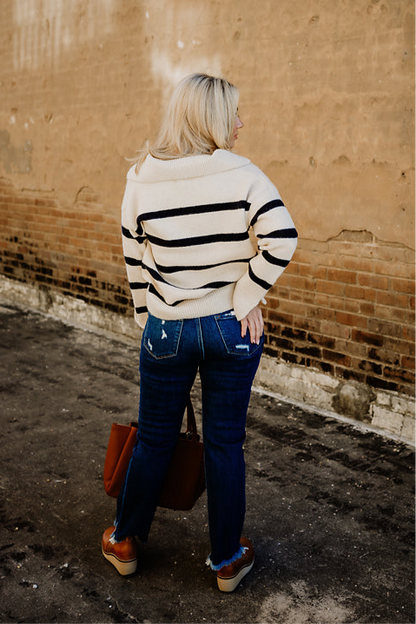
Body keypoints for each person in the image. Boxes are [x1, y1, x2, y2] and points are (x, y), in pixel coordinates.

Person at [102, 73, 298, 592]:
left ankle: (124, 542)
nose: (241, 123)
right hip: (232, 329)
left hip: (166, 328)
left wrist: (152, 320)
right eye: (234, 113)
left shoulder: (140, 177)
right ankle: (227, 561)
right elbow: (282, 238)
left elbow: (134, 261)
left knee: (154, 441)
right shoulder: (244, 174)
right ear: (210, 118)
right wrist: (244, 297)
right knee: (224, 445)